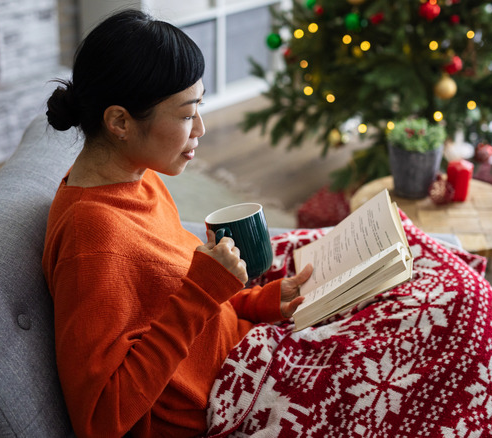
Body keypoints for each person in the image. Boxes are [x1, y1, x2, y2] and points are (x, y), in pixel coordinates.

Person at [41, 9, 313, 438]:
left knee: (415, 267)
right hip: (231, 397)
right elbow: (100, 420)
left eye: (199, 107)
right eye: (187, 115)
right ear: (120, 122)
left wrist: (260, 302)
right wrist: (203, 290)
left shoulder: (139, 178)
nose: (200, 128)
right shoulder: (91, 236)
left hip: (246, 346)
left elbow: (170, 296)